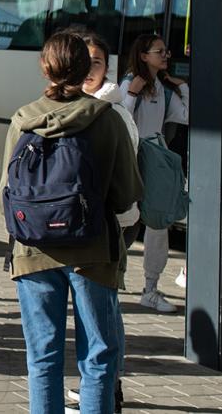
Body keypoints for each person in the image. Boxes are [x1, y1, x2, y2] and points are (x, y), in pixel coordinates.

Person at [0, 32, 141, 414]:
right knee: (98, 356)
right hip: (92, 251)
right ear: (86, 69)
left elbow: (4, 198)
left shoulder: (23, 119)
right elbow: (127, 195)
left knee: (42, 357)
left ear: (45, 68)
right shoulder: (107, 120)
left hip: (32, 251)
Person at [70, 29, 135, 414]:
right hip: (81, 227)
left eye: (96, 62)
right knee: (95, 312)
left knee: (103, 313)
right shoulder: (76, 105)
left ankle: (109, 385)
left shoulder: (114, 112)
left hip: (107, 226)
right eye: (84, 61)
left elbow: (126, 179)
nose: (89, 69)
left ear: (107, 68)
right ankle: (100, 385)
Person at [118, 32, 187, 314]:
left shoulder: (162, 87)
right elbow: (122, 119)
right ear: (144, 55)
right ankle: (112, 277)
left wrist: (182, 86)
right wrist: (133, 93)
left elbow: (186, 116)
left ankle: (151, 288)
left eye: (165, 51)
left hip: (155, 158)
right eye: (160, 52)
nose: (166, 55)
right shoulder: (129, 84)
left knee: (158, 223)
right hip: (133, 158)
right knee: (125, 222)